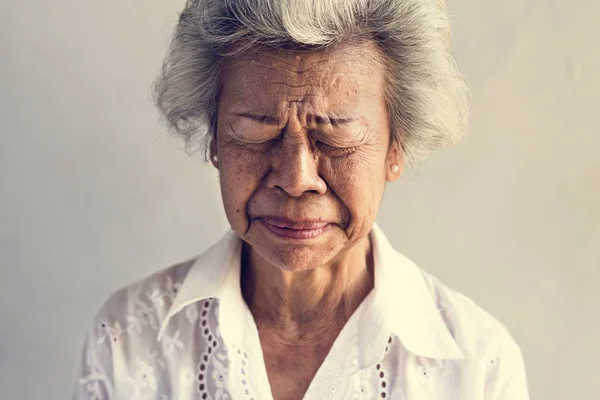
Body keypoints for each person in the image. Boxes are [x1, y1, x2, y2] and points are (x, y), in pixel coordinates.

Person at [72, 0, 530, 399]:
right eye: (256, 132)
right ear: (215, 140)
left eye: (336, 138)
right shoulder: (130, 339)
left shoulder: (476, 367)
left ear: (396, 149)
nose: (296, 179)